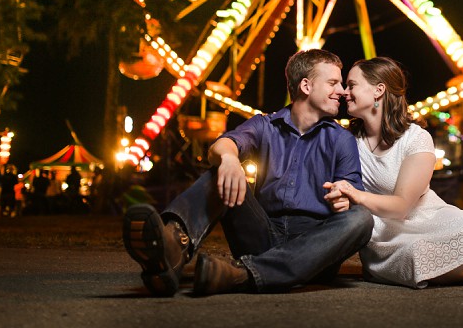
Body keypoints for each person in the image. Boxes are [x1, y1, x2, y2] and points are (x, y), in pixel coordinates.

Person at [122, 49, 373, 297]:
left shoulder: (342, 139)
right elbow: (222, 146)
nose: (342, 91)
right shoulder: (265, 125)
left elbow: (351, 190)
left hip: (315, 249)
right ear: (306, 86)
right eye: (333, 83)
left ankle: (243, 274)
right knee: (219, 172)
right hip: (261, 235)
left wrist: (345, 198)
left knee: (361, 218)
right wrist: (230, 159)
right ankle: (171, 249)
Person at [324, 56, 463, 288]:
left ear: (378, 90)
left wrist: (354, 195)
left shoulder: (416, 138)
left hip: (427, 216)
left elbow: (402, 206)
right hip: (384, 233)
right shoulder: (348, 140)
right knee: (419, 258)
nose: (344, 91)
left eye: (351, 85)